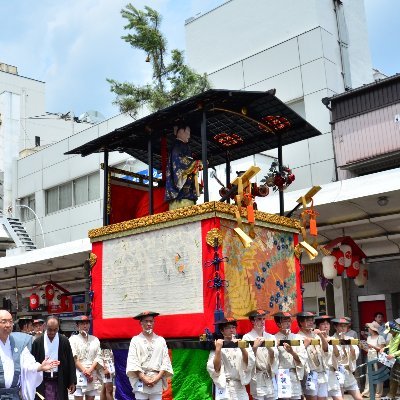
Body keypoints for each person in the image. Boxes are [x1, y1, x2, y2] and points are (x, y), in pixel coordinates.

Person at [0, 309, 60, 399]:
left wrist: (40, 367)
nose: (8, 325)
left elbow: (28, 363)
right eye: (4, 322)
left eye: (10, 321)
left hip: (14, 395)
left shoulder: (19, 342)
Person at [126, 311, 173, 400]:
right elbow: (133, 361)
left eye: (151, 321)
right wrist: (143, 378)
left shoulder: (160, 340)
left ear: (154, 323)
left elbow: (165, 361)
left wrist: (157, 378)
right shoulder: (135, 340)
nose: (149, 324)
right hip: (141, 379)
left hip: (157, 378)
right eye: (146, 321)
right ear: (141, 323)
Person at [207, 316, 255, 399]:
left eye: (233, 327)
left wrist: (242, 348)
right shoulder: (218, 344)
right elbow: (215, 369)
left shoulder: (242, 343)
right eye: (228, 328)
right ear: (222, 331)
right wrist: (218, 350)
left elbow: (249, 364)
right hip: (225, 386)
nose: (232, 330)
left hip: (239, 386)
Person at [31, 315, 76, 400]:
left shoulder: (64, 340)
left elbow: (70, 361)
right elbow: (32, 363)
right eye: (50, 329)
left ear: (58, 327)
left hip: (60, 379)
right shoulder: (38, 342)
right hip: (42, 380)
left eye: (55, 330)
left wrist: (72, 381)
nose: (52, 332)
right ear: (45, 326)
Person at [165, 124, 203, 210]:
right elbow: (180, 162)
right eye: (187, 132)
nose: (189, 135)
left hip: (187, 191)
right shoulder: (177, 146)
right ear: (181, 132)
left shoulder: (182, 146)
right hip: (180, 194)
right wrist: (196, 163)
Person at [242, 309, 278, 400]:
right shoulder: (247, 337)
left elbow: (275, 355)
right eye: (259, 319)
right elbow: (246, 359)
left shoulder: (270, 337)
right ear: (252, 321)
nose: (262, 322)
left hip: (269, 374)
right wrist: (254, 348)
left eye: (263, 319)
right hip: (257, 375)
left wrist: (268, 347)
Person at [296, 312, 331, 400]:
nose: (311, 322)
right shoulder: (297, 337)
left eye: (312, 320)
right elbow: (298, 356)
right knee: (312, 398)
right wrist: (305, 344)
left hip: (321, 371)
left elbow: (326, 349)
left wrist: (321, 336)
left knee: (323, 398)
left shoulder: (316, 335)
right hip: (309, 373)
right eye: (308, 320)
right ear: (301, 322)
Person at [273, 312, 307, 400]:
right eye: (285, 321)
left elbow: (302, 357)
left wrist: (292, 352)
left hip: (294, 372)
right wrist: (275, 347)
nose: (288, 323)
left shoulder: (297, 337)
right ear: (278, 323)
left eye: (289, 321)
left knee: (296, 397)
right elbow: (270, 358)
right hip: (281, 373)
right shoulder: (273, 338)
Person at [69, 315, 102, 400]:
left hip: (92, 372)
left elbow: (98, 356)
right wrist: (85, 372)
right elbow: (74, 358)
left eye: (87, 323)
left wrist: (90, 370)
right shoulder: (73, 339)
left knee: (91, 398)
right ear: (77, 326)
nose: (85, 326)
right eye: (82, 324)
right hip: (79, 373)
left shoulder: (95, 339)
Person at [331, 318, 362, 400]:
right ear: (335, 327)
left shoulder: (350, 338)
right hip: (337, 372)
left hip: (348, 371)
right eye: (341, 326)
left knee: (359, 398)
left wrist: (348, 343)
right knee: (340, 397)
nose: (343, 328)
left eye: (345, 326)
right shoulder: (331, 339)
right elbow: (334, 355)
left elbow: (355, 355)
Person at [314, 315, 343, 400]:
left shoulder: (333, 338)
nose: (326, 326)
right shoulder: (315, 339)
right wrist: (321, 336)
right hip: (321, 372)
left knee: (338, 397)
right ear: (318, 326)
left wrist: (334, 344)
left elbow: (338, 355)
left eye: (327, 324)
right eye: (323, 324)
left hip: (332, 371)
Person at [361, 321, 385, 398]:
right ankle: (367, 392)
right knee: (368, 375)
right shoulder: (368, 337)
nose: (368, 329)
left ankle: (378, 393)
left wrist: (372, 346)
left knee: (378, 375)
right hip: (370, 357)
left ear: (373, 329)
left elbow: (382, 349)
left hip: (378, 358)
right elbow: (368, 350)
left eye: (369, 328)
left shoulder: (380, 337)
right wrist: (363, 347)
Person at [380, 321, 400, 400]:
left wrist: (393, 354)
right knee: (393, 378)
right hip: (394, 361)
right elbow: (391, 345)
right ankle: (390, 396)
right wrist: (384, 348)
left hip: (398, 359)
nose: (390, 333)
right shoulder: (393, 336)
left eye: (390, 331)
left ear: (394, 329)